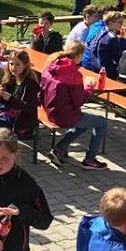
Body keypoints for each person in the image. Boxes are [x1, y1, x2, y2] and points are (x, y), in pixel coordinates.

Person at [39, 42, 108, 170]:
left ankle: (59, 149)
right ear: (79, 55)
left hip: (50, 110)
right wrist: (88, 88)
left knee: (85, 121)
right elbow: (79, 102)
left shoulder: (51, 66)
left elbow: (41, 90)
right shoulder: (74, 75)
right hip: (64, 115)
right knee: (101, 122)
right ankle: (90, 160)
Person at [91, 10, 126, 78]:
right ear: (110, 22)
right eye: (120, 22)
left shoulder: (102, 31)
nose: (122, 25)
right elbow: (118, 57)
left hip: (96, 66)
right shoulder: (111, 38)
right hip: (106, 71)